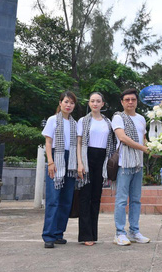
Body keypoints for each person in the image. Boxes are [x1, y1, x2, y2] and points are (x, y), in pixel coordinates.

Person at [76, 91, 117, 246]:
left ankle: (93, 234)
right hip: (87, 158)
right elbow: (79, 143)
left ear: (102, 104)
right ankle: (86, 235)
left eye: (98, 101)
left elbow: (112, 143)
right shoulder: (83, 121)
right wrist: (80, 163)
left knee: (96, 197)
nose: (95, 103)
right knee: (85, 196)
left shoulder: (108, 122)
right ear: (89, 103)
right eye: (92, 101)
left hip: (102, 159)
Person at [112, 88, 151, 246]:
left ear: (137, 102)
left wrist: (157, 151)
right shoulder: (118, 117)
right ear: (122, 102)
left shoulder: (141, 118)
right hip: (124, 163)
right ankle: (119, 233)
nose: (130, 102)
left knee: (136, 200)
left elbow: (145, 140)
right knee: (121, 200)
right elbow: (122, 138)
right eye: (127, 99)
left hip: (138, 164)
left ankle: (134, 231)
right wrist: (144, 148)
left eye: (133, 100)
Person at [42, 91, 79, 248]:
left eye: (71, 103)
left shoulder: (75, 123)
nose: (68, 105)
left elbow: (77, 146)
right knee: (53, 199)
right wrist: (50, 162)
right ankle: (48, 235)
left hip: (70, 162)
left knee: (66, 200)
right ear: (60, 103)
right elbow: (48, 143)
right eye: (66, 101)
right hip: (56, 159)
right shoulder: (53, 120)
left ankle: (58, 233)